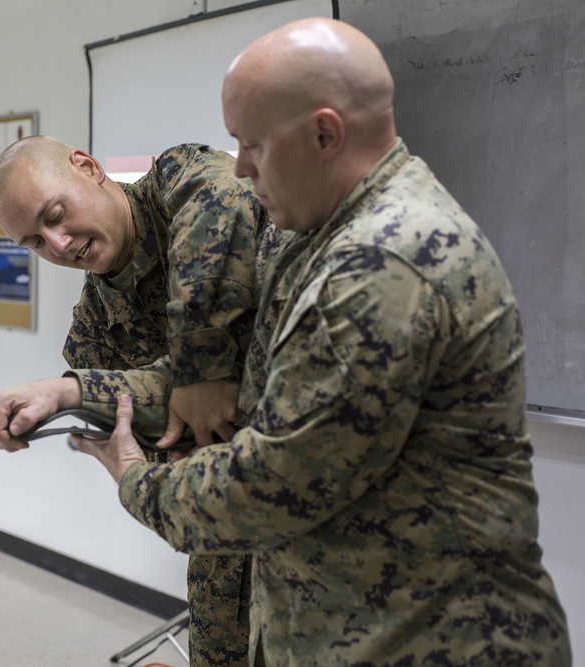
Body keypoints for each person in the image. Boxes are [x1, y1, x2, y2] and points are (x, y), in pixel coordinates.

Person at [73, 17, 572, 666]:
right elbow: (249, 389)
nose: (242, 169)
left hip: (433, 641)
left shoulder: (381, 263)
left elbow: (268, 486)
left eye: (252, 145)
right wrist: (74, 388)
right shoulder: (315, 236)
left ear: (324, 133)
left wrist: (135, 478)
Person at [0, 136, 266, 665]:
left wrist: (200, 371)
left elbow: (226, 203)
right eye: (36, 242)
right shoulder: (91, 337)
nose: (59, 244)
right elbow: (166, 455)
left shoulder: (178, 185)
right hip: (225, 539)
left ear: (88, 168)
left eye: (57, 215)